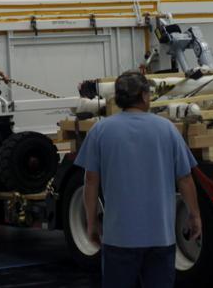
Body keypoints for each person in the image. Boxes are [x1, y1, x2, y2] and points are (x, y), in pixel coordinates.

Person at [76, 71, 201, 288]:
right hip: (160, 237)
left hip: (118, 238)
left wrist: (92, 222)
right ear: (144, 96)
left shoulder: (100, 131)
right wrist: (194, 215)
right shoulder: (167, 129)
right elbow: (185, 178)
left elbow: (90, 182)